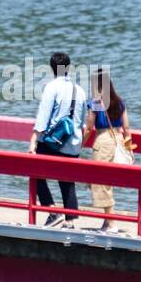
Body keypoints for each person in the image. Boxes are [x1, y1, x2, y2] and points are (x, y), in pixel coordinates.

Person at [29, 52, 89, 227]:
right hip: (73, 145)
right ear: (69, 68)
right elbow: (81, 122)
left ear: (52, 69)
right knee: (67, 181)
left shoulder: (51, 87)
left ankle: (53, 211)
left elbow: (43, 118)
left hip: (54, 144)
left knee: (35, 173)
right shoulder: (80, 90)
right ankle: (70, 220)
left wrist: (33, 140)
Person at [86, 68, 133, 233]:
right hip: (118, 139)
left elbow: (89, 127)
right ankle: (107, 221)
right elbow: (126, 128)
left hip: (103, 140)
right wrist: (129, 148)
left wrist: (81, 145)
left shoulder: (96, 103)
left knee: (100, 182)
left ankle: (112, 222)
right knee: (105, 181)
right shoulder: (119, 102)